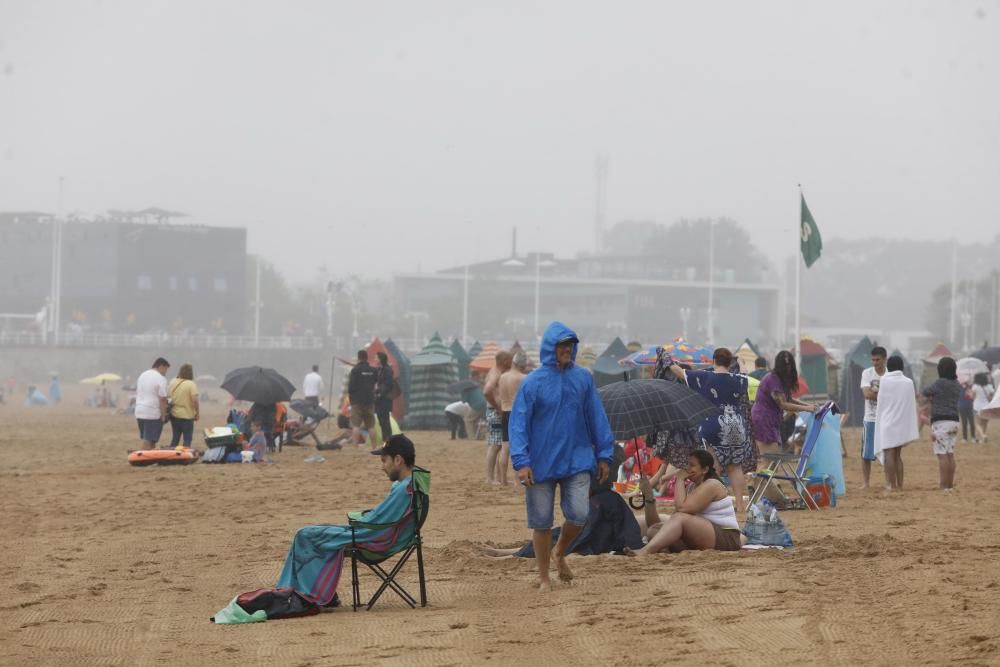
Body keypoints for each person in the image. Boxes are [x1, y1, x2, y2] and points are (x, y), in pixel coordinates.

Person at [509, 321, 614, 592]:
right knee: (541, 521)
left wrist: (605, 454)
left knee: (579, 514)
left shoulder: (583, 378)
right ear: (550, 348)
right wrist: (521, 462)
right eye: (561, 345)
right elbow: (518, 423)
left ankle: (560, 551)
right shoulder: (532, 383)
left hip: (577, 459)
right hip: (539, 463)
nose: (567, 349)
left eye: (570, 345)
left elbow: (596, 417)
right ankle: (544, 577)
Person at [274, 435, 419, 607]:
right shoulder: (409, 484)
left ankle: (303, 593)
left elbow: (377, 521)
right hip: (382, 535)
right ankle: (312, 590)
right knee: (315, 531)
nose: (382, 467)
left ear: (398, 460)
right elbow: (383, 517)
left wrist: (360, 519)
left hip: (374, 539)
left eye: (384, 461)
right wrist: (365, 517)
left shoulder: (403, 489)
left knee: (305, 535)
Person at [665, 347, 754, 512]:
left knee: (714, 466)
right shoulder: (740, 379)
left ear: (714, 361)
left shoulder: (704, 377)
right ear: (730, 363)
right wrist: (740, 362)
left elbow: (679, 372)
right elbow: (744, 371)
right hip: (735, 425)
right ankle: (741, 505)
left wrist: (667, 360)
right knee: (735, 467)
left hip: (712, 424)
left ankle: (718, 502)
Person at [625, 450, 747, 556]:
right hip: (705, 534)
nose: (687, 469)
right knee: (653, 530)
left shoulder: (712, 484)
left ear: (705, 469)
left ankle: (646, 551)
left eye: (692, 465)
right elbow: (674, 519)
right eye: (686, 465)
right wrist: (648, 496)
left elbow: (682, 509)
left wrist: (679, 478)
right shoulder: (691, 486)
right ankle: (664, 549)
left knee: (679, 518)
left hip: (726, 536)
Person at [751, 350, 817, 460]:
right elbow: (784, 405)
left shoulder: (779, 379)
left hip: (769, 421)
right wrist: (807, 408)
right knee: (770, 461)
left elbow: (789, 399)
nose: (788, 368)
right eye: (785, 365)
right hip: (763, 420)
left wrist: (809, 405)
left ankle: (760, 477)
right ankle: (756, 477)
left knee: (771, 463)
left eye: (789, 364)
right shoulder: (773, 379)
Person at [874, 356, 919, 490]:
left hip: (887, 423)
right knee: (898, 455)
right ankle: (900, 484)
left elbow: (881, 403)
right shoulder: (909, 382)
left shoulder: (884, 381)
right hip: (902, 423)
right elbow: (910, 403)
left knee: (889, 454)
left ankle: (890, 484)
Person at [920, 357, 961, 492]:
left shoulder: (940, 383)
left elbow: (925, 391)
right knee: (950, 453)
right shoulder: (956, 384)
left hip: (941, 422)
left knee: (942, 454)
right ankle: (949, 485)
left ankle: (944, 485)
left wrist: (932, 398)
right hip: (954, 421)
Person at [859, 346, 888, 489]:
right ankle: (866, 483)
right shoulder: (867, 373)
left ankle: (889, 481)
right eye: (873, 360)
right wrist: (883, 395)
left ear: (884, 359)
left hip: (886, 418)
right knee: (866, 454)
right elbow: (866, 394)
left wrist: (875, 393)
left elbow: (891, 396)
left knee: (888, 452)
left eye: (878, 360)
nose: (875, 362)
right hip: (870, 418)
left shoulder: (889, 374)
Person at [497, 352, 528, 485]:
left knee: (505, 447)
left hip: (505, 411)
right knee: (518, 447)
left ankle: (503, 480)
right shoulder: (523, 378)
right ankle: (517, 480)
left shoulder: (503, 377)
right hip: (517, 413)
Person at [483, 351, 512, 484]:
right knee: (495, 445)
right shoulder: (496, 374)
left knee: (499, 445)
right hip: (495, 412)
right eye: (510, 360)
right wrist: (497, 407)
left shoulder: (494, 372)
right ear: (505, 360)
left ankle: (499, 478)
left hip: (494, 411)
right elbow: (487, 391)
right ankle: (490, 478)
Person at [135, 357, 170, 450]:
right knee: (148, 439)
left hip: (139, 410)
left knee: (149, 439)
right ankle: (141, 459)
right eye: (166, 369)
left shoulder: (142, 375)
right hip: (152, 412)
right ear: (161, 366)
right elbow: (162, 398)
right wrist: (163, 415)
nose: (165, 372)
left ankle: (148, 459)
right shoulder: (160, 378)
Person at [348, 349, 378, 447]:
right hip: (369, 401)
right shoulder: (373, 370)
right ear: (366, 357)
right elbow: (375, 384)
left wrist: (352, 398)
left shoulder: (355, 370)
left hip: (357, 401)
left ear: (358, 358)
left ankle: (355, 445)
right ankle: (374, 446)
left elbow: (351, 387)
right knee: (371, 426)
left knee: (356, 425)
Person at [167, 363, 200, 448]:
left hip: (174, 414)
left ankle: (171, 456)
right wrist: (197, 413)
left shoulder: (172, 382)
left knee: (175, 438)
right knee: (187, 439)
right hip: (187, 416)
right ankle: (185, 457)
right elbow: (195, 400)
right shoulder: (191, 384)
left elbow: (168, 396)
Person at [374, 352, 395, 444]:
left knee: (385, 420)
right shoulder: (380, 369)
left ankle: (388, 439)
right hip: (379, 399)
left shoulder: (387, 370)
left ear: (380, 359)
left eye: (376, 358)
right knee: (381, 420)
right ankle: (385, 439)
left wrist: (379, 392)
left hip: (385, 399)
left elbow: (388, 384)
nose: (375, 359)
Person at [972, 373, 994, 443]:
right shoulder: (989, 386)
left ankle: (983, 435)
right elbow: (991, 397)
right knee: (985, 423)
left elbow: (973, 397)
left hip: (977, 406)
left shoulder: (975, 386)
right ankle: (983, 437)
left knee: (977, 423)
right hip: (987, 406)